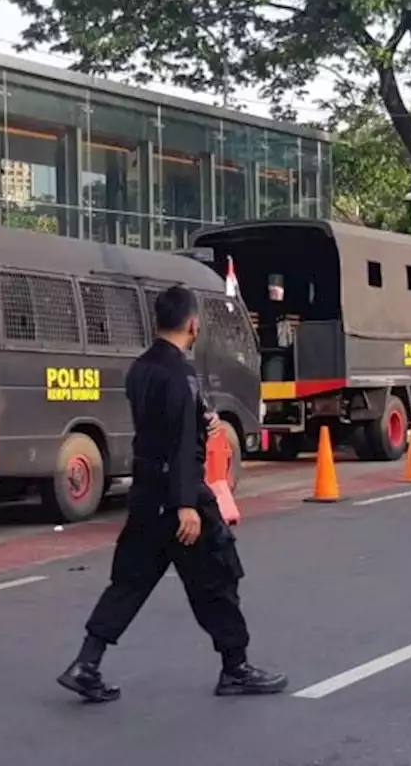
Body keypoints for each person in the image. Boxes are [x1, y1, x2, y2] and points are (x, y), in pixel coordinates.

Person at [58, 286, 287, 702]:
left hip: (146, 493)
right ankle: (235, 667)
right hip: (180, 497)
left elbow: (166, 425)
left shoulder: (141, 369)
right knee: (218, 578)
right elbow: (180, 439)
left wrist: (204, 422)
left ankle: (85, 663)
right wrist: (186, 504)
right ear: (193, 324)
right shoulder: (180, 374)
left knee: (128, 582)